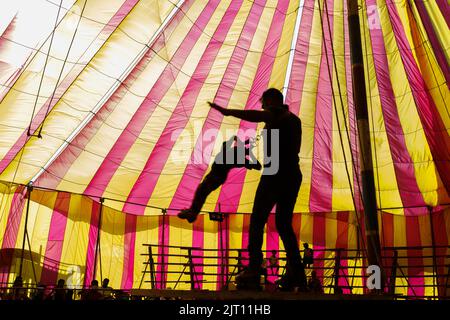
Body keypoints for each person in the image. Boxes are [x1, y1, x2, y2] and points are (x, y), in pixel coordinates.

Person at [209, 88, 306, 291]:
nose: (262, 106)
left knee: (257, 221)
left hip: (275, 176)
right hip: (291, 174)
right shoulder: (292, 120)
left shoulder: (279, 114)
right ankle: (296, 271)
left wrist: (229, 112)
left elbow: (258, 115)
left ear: (271, 101)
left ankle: (254, 267)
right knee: (283, 224)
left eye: (264, 102)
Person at [178, 135, 261, 223]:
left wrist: (245, 147)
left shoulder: (234, 156)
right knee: (201, 192)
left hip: (215, 178)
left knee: (201, 191)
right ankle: (192, 213)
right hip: (215, 178)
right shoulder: (235, 156)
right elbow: (233, 139)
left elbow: (233, 139)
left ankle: (192, 213)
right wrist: (247, 149)